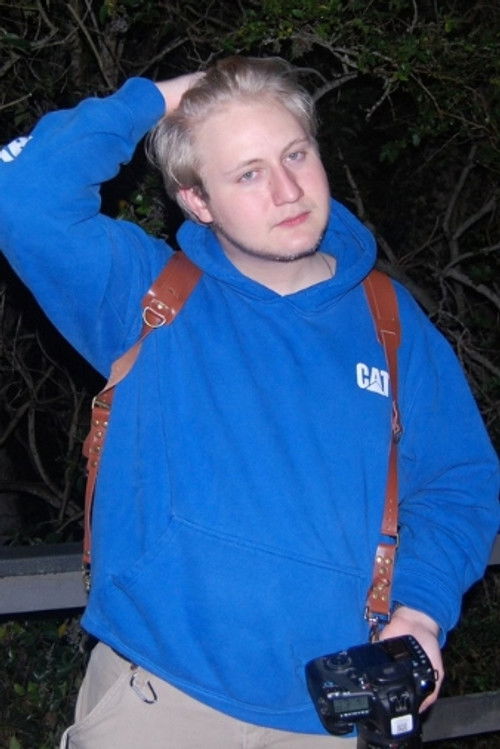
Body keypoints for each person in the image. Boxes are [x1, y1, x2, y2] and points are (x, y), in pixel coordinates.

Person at [0, 56, 498, 749]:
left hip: (330, 712)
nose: (288, 191)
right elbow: (21, 193)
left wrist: (421, 609)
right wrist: (160, 99)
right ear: (197, 200)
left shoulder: (391, 323)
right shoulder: (149, 298)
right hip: (157, 701)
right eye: (248, 173)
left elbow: (458, 481)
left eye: (296, 154)